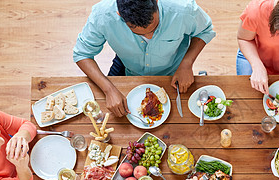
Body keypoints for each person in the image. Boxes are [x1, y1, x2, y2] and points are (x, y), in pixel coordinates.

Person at [73, 0, 216, 117]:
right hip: (127, 68)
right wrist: (109, 90)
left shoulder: (183, 9)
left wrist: (187, 63)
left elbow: (205, 30)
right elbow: (82, 54)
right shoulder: (102, 15)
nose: (149, 37)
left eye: (154, 29)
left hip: (174, 71)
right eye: (137, 32)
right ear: (119, 15)